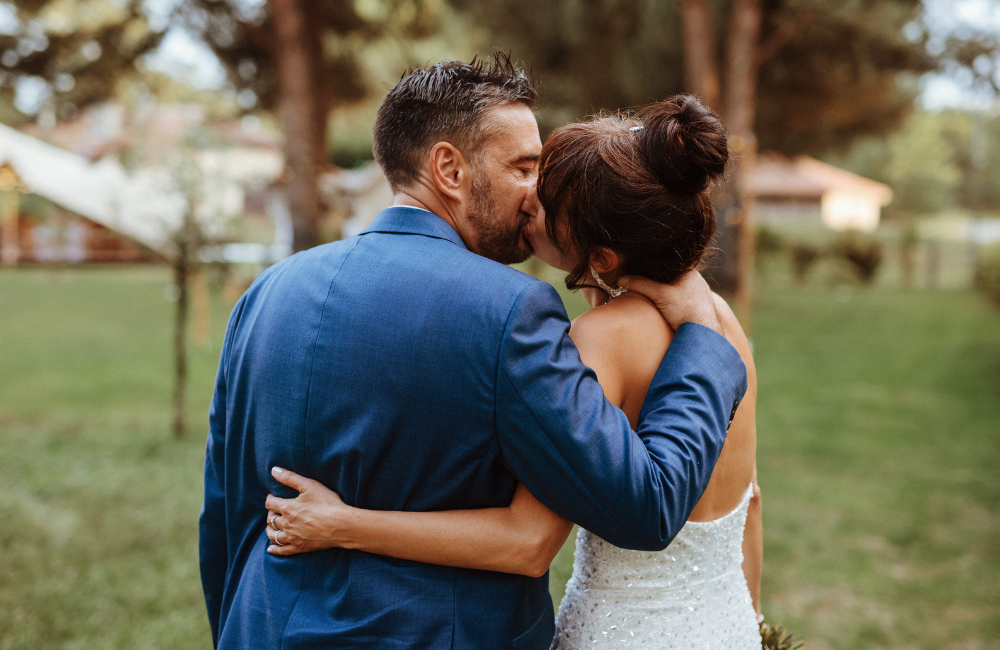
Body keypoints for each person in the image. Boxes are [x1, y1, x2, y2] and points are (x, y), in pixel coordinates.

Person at [199, 53, 747, 650]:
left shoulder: (266, 292)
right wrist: (699, 333)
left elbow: (227, 513)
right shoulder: (512, 311)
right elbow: (644, 506)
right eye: (522, 166)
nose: (536, 191)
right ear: (449, 170)